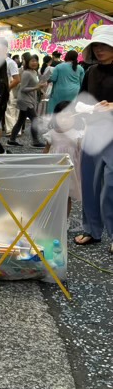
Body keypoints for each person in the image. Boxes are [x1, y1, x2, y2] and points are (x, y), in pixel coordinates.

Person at [74, 25, 113, 251]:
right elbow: (80, 101)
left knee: (111, 184)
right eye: (97, 45)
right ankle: (91, 229)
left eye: (105, 45)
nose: (100, 49)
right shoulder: (90, 71)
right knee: (89, 183)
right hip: (92, 131)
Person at [43, 101, 82, 217]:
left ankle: (65, 220)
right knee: (53, 195)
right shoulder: (51, 134)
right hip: (54, 169)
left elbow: (81, 153)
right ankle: (53, 219)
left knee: (66, 196)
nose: (64, 120)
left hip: (71, 171)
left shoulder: (77, 135)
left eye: (68, 117)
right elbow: (46, 151)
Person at [8, 55, 47, 148]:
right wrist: (36, 87)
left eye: (36, 61)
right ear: (27, 62)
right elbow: (23, 89)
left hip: (29, 98)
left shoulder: (34, 72)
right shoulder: (26, 73)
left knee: (21, 120)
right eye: (32, 61)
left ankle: (11, 140)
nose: (34, 63)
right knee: (34, 120)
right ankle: (36, 141)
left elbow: (34, 85)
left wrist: (41, 90)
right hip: (24, 100)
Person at [4, 53, 22, 136]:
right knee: (12, 108)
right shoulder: (9, 62)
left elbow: (16, 79)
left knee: (10, 108)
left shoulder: (10, 62)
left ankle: (12, 130)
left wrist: (7, 89)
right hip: (10, 86)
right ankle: (15, 130)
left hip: (10, 87)